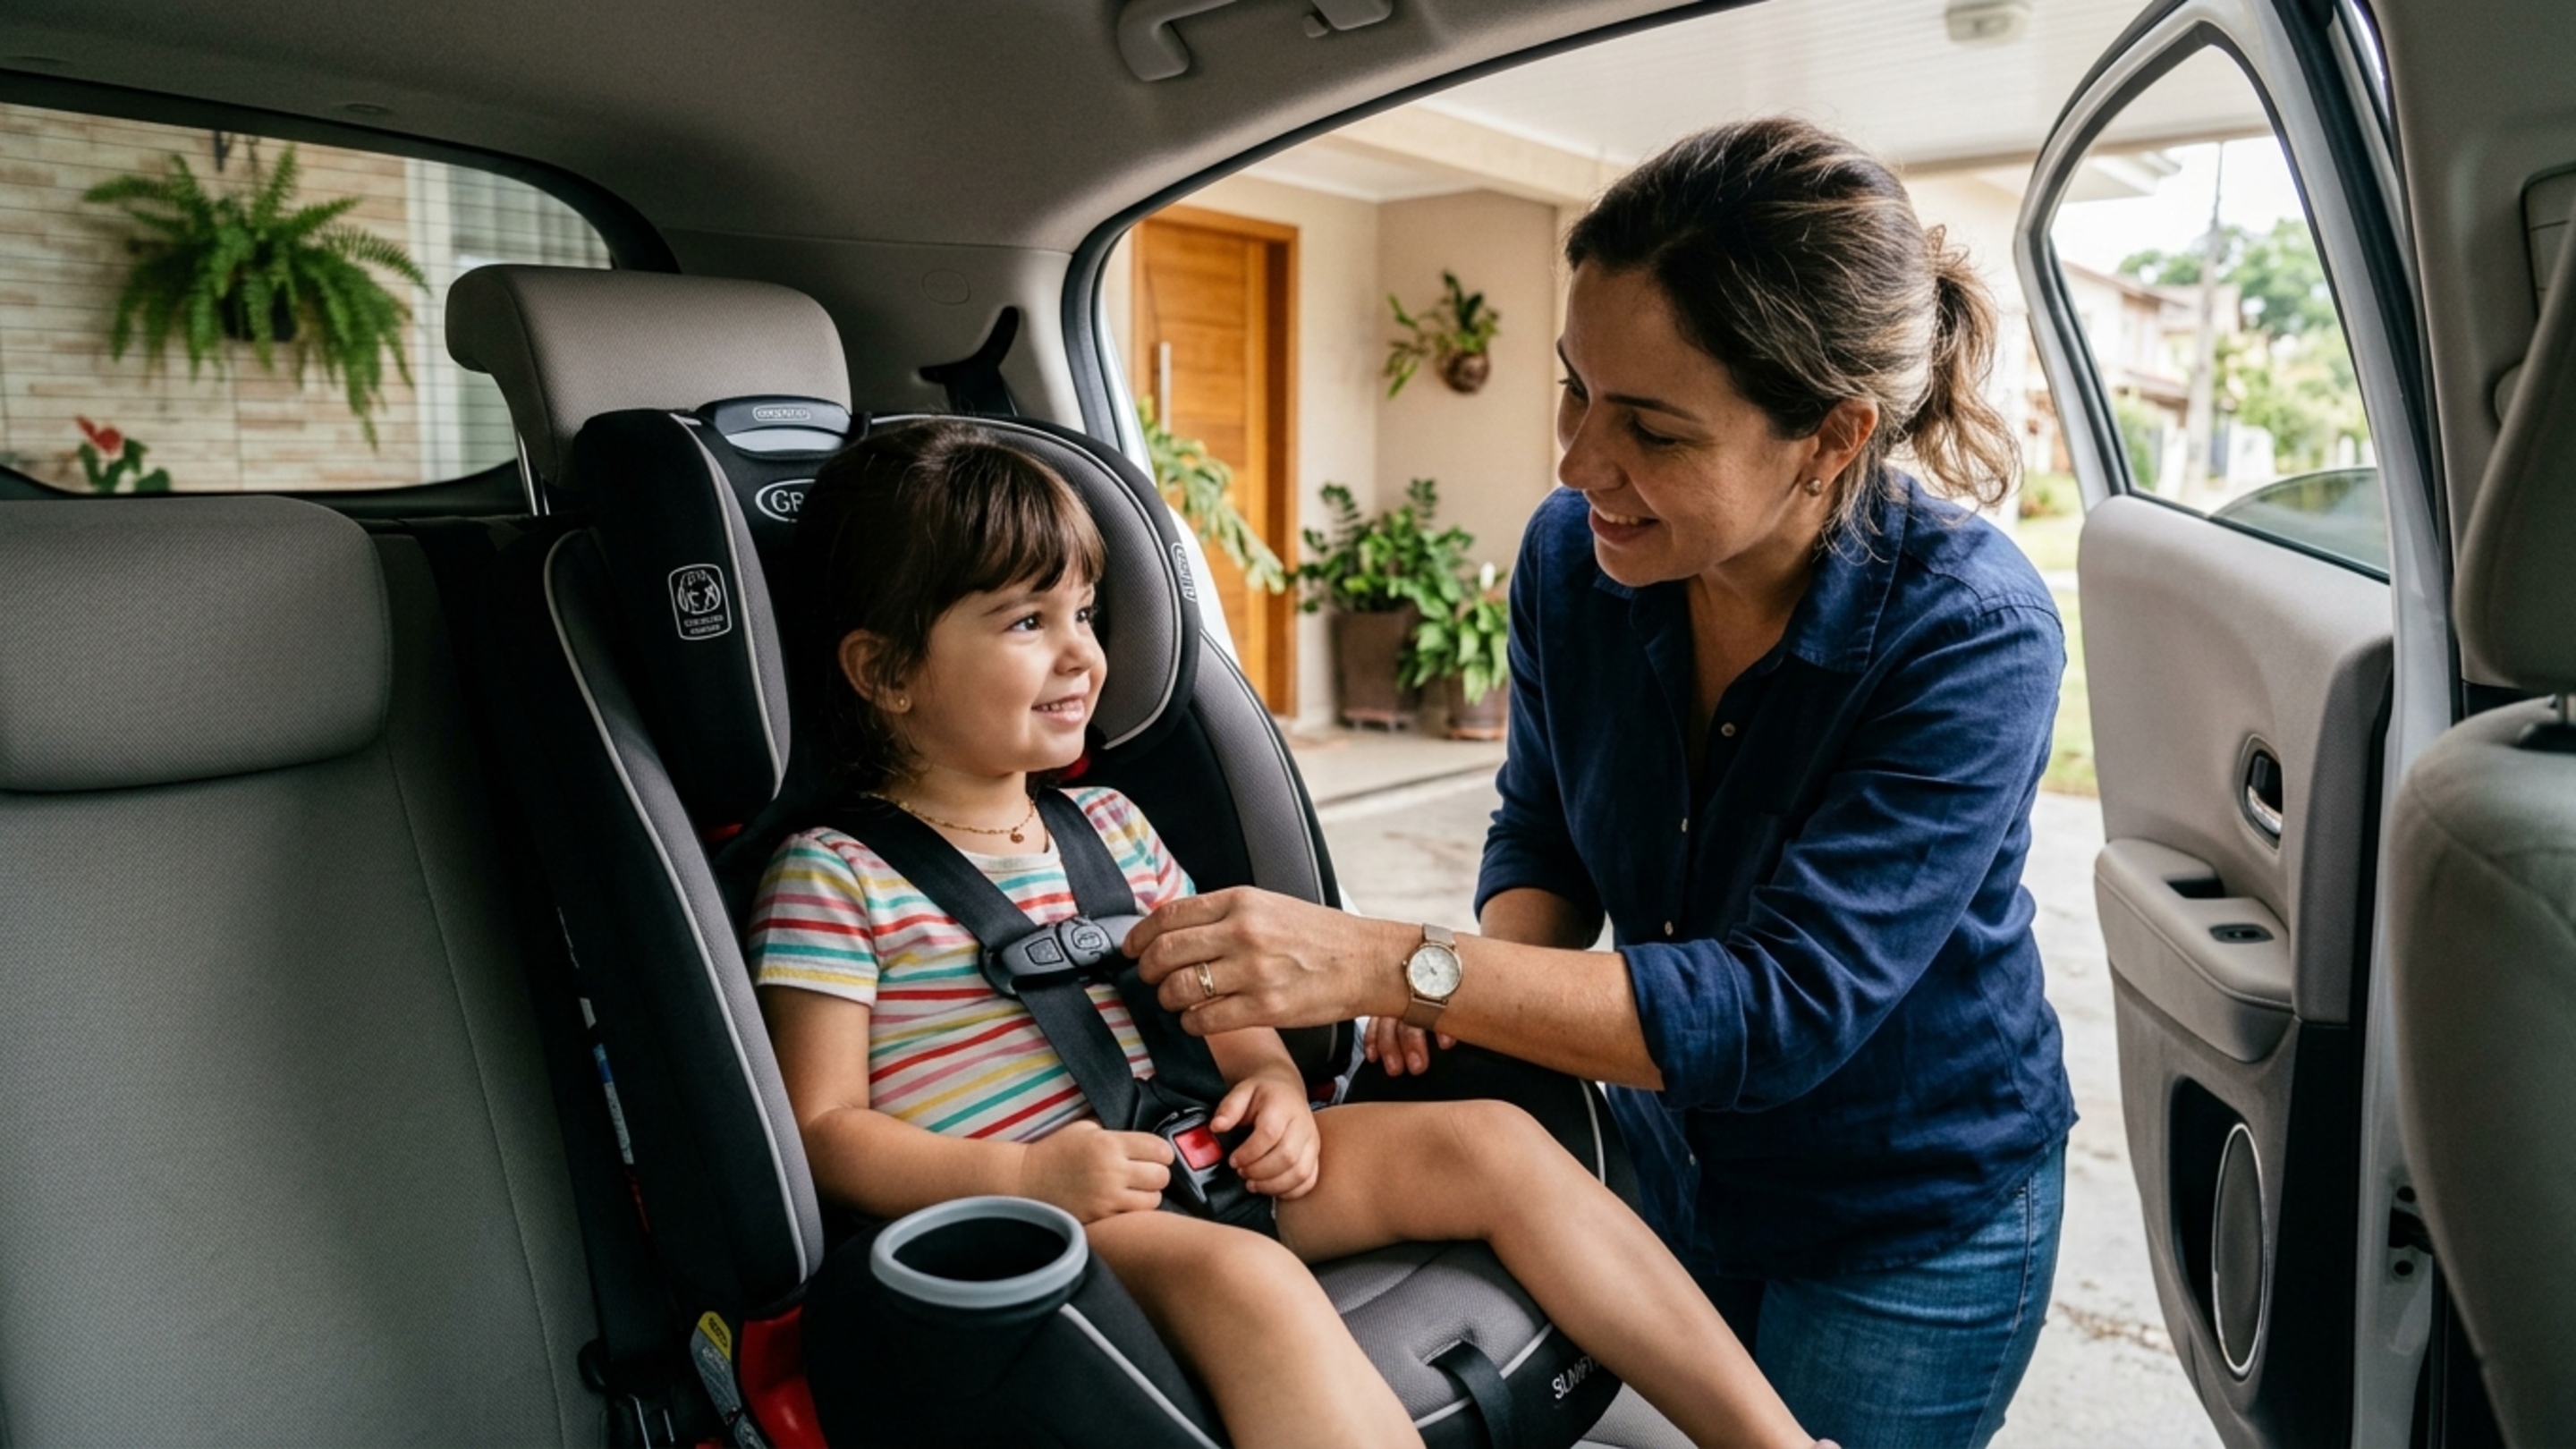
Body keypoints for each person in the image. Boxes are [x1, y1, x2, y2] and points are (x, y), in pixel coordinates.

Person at [1122, 117, 2075, 1449]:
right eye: (1575, 388)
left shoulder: (1971, 632)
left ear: (1830, 436)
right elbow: (1549, 832)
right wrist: (1473, 996)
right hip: (1672, 1167)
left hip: (1902, 1220)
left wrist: (1404, 968)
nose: (1575, 463)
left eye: (1652, 429)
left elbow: (1780, 1009)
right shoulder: (1579, 559)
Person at [750, 419, 1821, 1449]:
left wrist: (1267, 1085)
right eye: (1027, 623)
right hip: (1061, 1228)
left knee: (1489, 1139)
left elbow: (1216, 997)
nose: (1081, 653)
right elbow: (822, 1131)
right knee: (1248, 1278)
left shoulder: (1110, 828)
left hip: (1213, 1161)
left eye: (1083, 612)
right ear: (885, 672)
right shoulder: (838, 875)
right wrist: (1025, 1185)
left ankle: (1773, 1440)